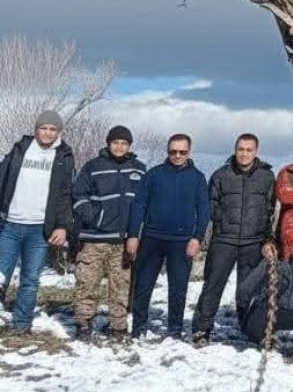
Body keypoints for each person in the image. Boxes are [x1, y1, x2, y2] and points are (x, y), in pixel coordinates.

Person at [191, 134, 275, 346]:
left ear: (256, 151)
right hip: (224, 240)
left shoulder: (266, 177)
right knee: (213, 284)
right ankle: (202, 329)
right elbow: (210, 206)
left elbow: (271, 211)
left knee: (248, 289)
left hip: (253, 241)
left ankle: (250, 328)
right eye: (240, 149)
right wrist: (215, 227)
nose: (244, 154)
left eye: (249, 150)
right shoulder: (221, 175)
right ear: (235, 150)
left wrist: (268, 239)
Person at [126, 134, 210, 340]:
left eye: (182, 152)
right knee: (143, 285)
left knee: (178, 288)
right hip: (152, 239)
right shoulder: (154, 175)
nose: (177, 155)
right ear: (167, 151)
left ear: (189, 152)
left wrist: (197, 238)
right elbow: (139, 205)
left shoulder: (198, 178)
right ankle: (138, 327)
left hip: (181, 242)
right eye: (173, 151)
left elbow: (204, 210)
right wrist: (133, 234)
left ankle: (174, 328)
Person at [0, 110, 74, 333]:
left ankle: (21, 325)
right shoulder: (20, 149)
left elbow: (65, 194)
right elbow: (2, 177)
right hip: (10, 224)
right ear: (36, 129)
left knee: (30, 280)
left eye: (52, 129)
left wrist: (62, 226)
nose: (48, 133)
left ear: (58, 131)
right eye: (44, 128)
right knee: (0, 275)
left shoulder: (63, 156)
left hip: (40, 229)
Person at [70, 125, 146, 341]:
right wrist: (96, 217)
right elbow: (78, 196)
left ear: (129, 145)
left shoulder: (139, 169)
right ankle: (83, 323)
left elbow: (144, 202)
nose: (119, 146)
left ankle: (119, 327)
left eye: (124, 143)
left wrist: (136, 232)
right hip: (94, 239)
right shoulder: (93, 167)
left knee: (120, 286)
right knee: (87, 282)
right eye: (115, 142)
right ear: (108, 143)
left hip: (123, 241)